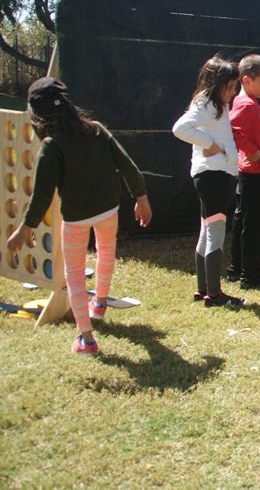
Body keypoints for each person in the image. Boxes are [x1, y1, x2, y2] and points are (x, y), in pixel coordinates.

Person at [6, 78, 152, 355]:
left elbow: (41, 195)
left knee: (74, 274)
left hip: (76, 218)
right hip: (108, 209)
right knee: (106, 253)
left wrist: (25, 228)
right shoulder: (96, 130)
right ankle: (99, 303)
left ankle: (87, 338)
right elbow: (128, 165)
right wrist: (141, 197)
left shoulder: (52, 146)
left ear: (37, 115)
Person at [172, 57, 245, 308]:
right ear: (217, 84)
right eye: (230, 86)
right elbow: (179, 129)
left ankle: (203, 288)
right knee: (215, 231)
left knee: (207, 230)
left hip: (213, 174)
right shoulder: (208, 103)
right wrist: (210, 144)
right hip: (214, 176)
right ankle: (214, 294)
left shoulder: (212, 103)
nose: (233, 92)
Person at [227, 54, 260, 290]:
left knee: (243, 221)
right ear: (246, 80)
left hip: (256, 173)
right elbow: (231, 129)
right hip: (254, 174)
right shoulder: (246, 104)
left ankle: (236, 269)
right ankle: (251, 276)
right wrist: (251, 149)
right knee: (254, 225)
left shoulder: (250, 102)